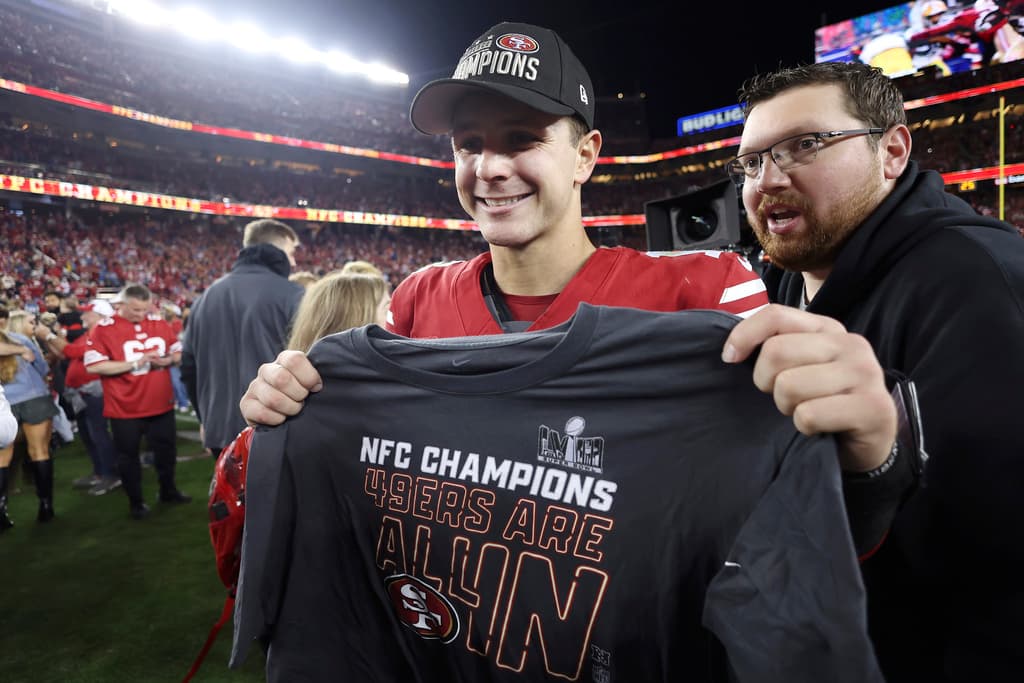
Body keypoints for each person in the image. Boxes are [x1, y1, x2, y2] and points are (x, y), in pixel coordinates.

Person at [240, 23, 899, 545]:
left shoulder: (707, 291)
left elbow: (790, 515)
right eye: (469, 144)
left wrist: (868, 455)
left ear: (585, 155)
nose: (489, 167)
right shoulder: (416, 299)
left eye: (521, 139)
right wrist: (289, 400)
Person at [720, 61, 1024, 681]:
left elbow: (997, 566)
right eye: (751, 162)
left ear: (891, 152)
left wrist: (881, 465)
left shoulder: (979, 281)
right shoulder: (787, 276)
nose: (766, 179)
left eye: (805, 145)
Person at [181, 219, 303, 457]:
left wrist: (206, 419)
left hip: (220, 429)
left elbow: (188, 367)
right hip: (273, 428)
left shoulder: (205, 297)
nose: (294, 262)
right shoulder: (293, 295)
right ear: (277, 250)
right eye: (291, 253)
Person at [85, 284, 190, 519]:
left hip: (161, 404)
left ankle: (168, 490)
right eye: (135, 310)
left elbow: (178, 351)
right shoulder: (103, 328)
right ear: (121, 304)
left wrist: (168, 361)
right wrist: (135, 363)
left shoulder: (158, 322)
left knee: (166, 451)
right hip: (124, 407)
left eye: (144, 309)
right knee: (128, 456)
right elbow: (93, 365)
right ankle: (136, 502)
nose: (141, 314)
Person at [38, 298, 121, 495]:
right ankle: (99, 472)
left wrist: (48, 335)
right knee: (87, 433)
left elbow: (73, 351)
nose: (83, 315)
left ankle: (111, 475)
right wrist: (49, 338)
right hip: (82, 391)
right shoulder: (89, 333)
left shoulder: (104, 333)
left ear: (99, 316)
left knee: (99, 434)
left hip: (94, 390)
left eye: (87, 312)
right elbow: (65, 354)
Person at [0, 320, 57, 525]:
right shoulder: (19, 339)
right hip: (33, 397)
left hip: (4, 403)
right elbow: (42, 368)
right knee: (40, 451)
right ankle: (45, 506)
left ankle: (1, 513)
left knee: (2, 459)